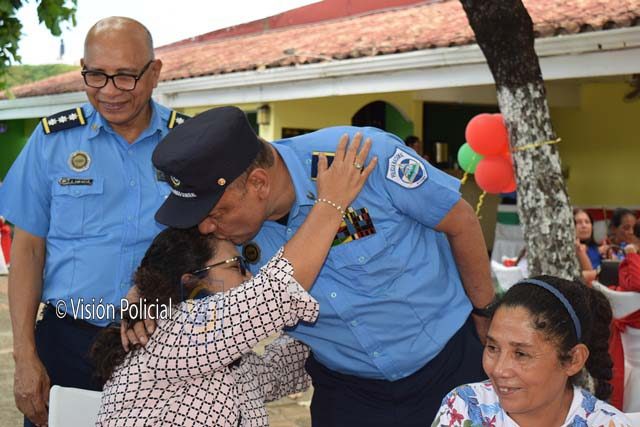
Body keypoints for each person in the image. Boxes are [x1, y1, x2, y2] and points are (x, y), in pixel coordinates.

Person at [148, 106, 496, 426]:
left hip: (448, 366)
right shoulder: (219, 226)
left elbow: (460, 221)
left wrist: (484, 311)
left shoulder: (364, 158)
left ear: (258, 183)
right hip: (348, 393)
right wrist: (142, 299)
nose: (206, 228)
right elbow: (169, 266)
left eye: (216, 213)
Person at [94, 136, 375, 426]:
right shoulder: (173, 335)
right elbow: (275, 294)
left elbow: (281, 369)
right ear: (192, 283)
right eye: (238, 266)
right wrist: (331, 204)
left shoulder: (226, 352)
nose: (250, 276)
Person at [0, 17, 188, 427]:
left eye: (125, 76)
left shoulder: (189, 145)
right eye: (96, 75)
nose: (109, 91)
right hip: (68, 344)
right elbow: (28, 251)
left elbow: (217, 245)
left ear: (154, 72)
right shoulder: (52, 142)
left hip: (166, 345)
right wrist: (25, 355)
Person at [432, 275, 632, 427]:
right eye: (492, 348)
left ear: (573, 359)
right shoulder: (464, 407)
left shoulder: (608, 423)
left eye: (521, 354)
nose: (499, 370)